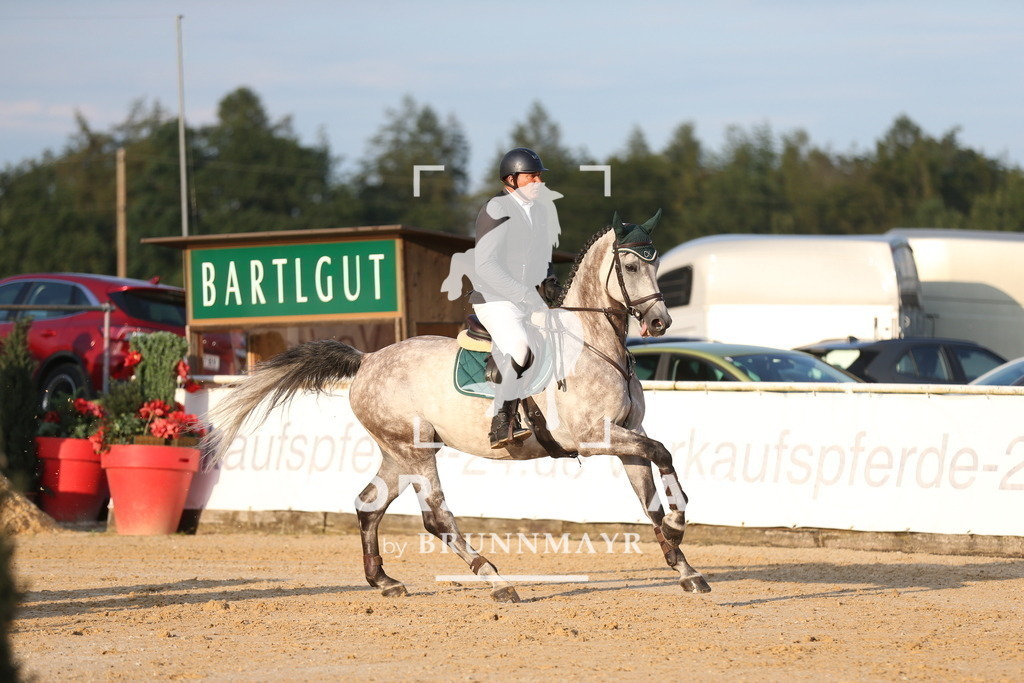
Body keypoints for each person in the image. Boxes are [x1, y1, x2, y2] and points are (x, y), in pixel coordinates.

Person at [470, 148, 562, 449]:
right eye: (531, 176)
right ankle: (501, 421)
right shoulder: (496, 209)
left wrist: (549, 286)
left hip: (526, 299)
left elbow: (541, 258)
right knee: (522, 349)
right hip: (495, 299)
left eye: (539, 176)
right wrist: (524, 294)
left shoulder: (538, 211)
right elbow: (485, 264)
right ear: (511, 179)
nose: (538, 181)